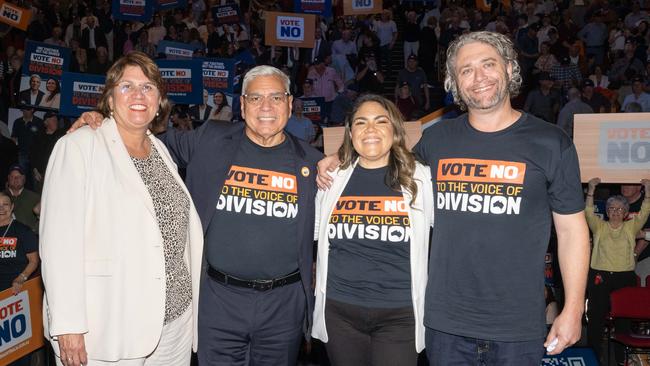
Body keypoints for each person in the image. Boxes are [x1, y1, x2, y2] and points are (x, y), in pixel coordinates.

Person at [318, 31, 590, 365]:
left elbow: (572, 232)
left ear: (508, 68)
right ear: (454, 83)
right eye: (466, 70)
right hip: (444, 325)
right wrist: (339, 157)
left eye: (488, 64)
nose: (479, 78)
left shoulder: (552, 142)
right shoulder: (437, 141)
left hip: (517, 326)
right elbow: (383, 163)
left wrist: (573, 308)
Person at [72, 64, 323, 365]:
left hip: (283, 306)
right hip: (218, 302)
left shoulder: (313, 163)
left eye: (276, 98)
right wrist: (106, 122)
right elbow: (141, 141)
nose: (266, 106)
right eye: (255, 98)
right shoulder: (211, 139)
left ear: (290, 104)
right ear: (242, 106)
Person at [40, 51, 204, 366]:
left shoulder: (160, 150)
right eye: (127, 86)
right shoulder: (79, 146)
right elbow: (59, 243)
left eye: (148, 87)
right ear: (110, 100)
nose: (139, 95)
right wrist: (69, 324)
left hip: (175, 325)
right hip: (109, 325)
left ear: (159, 102)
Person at [312, 94, 433, 365]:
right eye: (361, 122)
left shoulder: (420, 178)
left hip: (400, 315)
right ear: (351, 132)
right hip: (339, 313)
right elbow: (312, 234)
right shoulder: (333, 178)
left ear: (394, 130)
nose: (370, 129)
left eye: (381, 121)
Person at [585, 178, 650, 363]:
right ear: (606, 212)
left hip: (624, 277)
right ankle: (593, 358)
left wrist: (648, 189)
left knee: (623, 321)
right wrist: (591, 190)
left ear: (625, 212)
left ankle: (622, 360)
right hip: (600, 275)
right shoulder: (599, 226)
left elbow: (646, 211)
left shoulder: (631, 227)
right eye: (611, 209)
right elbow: (588, 211)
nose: (615, 212)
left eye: (619, 209)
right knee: (595, 319)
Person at [0, 191, 39, 366]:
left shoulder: (22, 230)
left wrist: (21, 278)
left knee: (17, 348)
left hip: (16, 294)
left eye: (5, 205)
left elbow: (34, 260)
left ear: (12, 207)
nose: (1, 209)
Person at [6, 166, 39, 232]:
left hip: (27, 239)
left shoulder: (35, 197)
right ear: (8, 178)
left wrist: (34, 231)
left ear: (24, 179)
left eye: (19, 177)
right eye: (12, 176)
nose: (15, 179)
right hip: (5, 239)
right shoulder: (1, 196)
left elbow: (43, 218)